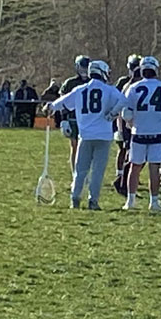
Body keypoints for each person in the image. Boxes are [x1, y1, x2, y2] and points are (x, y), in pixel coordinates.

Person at [48, 60, 126, 210]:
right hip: (103, 136)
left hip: (85, 136)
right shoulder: (109, 90)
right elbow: (124, 101)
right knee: (97, 171)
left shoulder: (80, 89)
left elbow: (61, 103)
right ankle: (93, 201)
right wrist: (113, 114)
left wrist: (50, 107)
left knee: (80, 170)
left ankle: (75, 198)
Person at [121, 56, 161, 211]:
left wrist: (131, 126)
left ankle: (130, 201)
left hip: (139, 133)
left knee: (135, 167)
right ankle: (154, 201)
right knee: (154, 168)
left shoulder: (133, 88)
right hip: (158, 134)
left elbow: (127, 114)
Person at [56, 56, 90, 186]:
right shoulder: (70, 83)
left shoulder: (93, 82)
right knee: (74, 146)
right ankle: (75, 175)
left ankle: (85, 174)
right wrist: (63, 120)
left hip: (88, 119)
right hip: (73, 118)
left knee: (87, 148)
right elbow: (62, 102)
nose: (84, 71)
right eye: (82, 68)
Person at [113, 55, 142, 191]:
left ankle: (127, 178)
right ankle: (121, 177)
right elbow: (121, 108)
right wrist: (119, 129)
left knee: (134, 155)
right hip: (126, 125)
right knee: (126, 151)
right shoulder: (127, 86)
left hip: (136, 124)